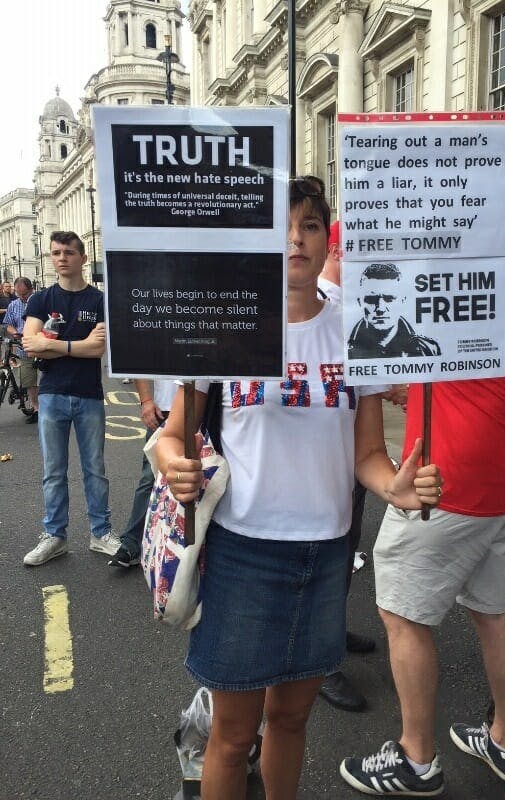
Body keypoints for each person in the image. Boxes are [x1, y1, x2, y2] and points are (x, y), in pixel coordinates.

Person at [155, 175, 442, 800]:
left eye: (310, 226)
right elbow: (173, 437)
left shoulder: (356, 325)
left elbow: (367, 452)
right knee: (233, 735)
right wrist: (174, 464)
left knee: (291, 718)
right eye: (281, 229)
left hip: (325, 555)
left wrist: (394, 486)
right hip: (243, 552)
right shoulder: (228, 322)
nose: (295, 241)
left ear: (325, 236)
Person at [341, 262, 505, 794]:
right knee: (492, 613)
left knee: (402, 614)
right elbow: (488, 386)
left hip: (449, 485)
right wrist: (415, 391)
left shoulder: (441, 285)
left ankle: (415, 759)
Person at [21, 231, 119, 566]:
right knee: (53, 470)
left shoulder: (99, 300)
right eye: (55, 253)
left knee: (95, 469)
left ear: (83, 258)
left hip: (89, 394)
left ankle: (100, 532)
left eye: (68, 252)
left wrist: (55, 347)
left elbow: (100, 348)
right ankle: (55, 536)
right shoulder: (41, 299)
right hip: (50, 395)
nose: (61, 258)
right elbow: (30, 344)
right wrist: (77, 347)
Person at [316, 219, 376, 712]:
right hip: (317, 457)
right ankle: (323, 661)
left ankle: (331, 633)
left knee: (345, 547)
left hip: (348, 453)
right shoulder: (315, 301)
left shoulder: (354, 308)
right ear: (338, 250)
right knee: (323, 555)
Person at [108, 378, 178, 568]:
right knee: (151, 476)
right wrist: (146, 400)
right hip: (164, 410)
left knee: (204, 477)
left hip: (206, 408)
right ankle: (132, 542)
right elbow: (140, 359)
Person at [347, 262, 441, 359]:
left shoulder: (428, 349)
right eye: (371, 299)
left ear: (403, 301)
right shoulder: (343, 348)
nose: (380, 308)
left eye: (389, 299)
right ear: (359, 302)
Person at [4, 277, 39, 423]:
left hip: (41, 346)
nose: (22, 297)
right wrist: (14, 333)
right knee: (28, 379)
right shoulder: (13, 305)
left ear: (31, 290)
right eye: (19, 294)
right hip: (22, 348)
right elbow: (7, 323)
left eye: (24, 294)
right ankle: (37, 409)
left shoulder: (39, 302)